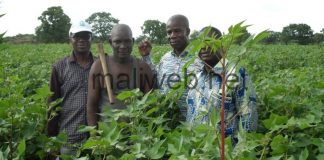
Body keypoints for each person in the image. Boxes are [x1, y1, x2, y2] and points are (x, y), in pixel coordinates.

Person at [186, 26, 258, 143]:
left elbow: (249, 118)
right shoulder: (196, 77)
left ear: (222, 46)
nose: (203, 47)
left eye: (209, 42)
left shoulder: (236, 73)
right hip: (198, 149)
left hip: (225, 151)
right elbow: (191, 114)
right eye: (200, 43)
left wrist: (240, 151)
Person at [87, 24, 154, 126]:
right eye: (117, 42)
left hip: (135, 133)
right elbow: (92, 105)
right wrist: (93, 135)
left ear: (133, 41)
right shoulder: (99, 66)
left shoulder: (142, 68)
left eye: (127, 41)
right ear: (110, 42)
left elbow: (150, 105)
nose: (123, 46)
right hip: (107, 134)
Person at [139, 14, 201, 120]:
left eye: (177, 31)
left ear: (188, 31)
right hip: (166, 120)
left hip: (192, 124)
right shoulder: (165, 58)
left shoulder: (199, 58)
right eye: (169, 32)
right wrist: (146, 57)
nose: (172, 35)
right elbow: (156, 78)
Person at [47, 20, 94, 155]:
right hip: (69, 137)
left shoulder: (100, 65)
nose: (81, 40)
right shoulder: (59, 67)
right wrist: (52, 139)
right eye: (77, 36)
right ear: (70, 39)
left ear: (91, 39)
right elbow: (52, 103)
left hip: (97, 139)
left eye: (86, 36)